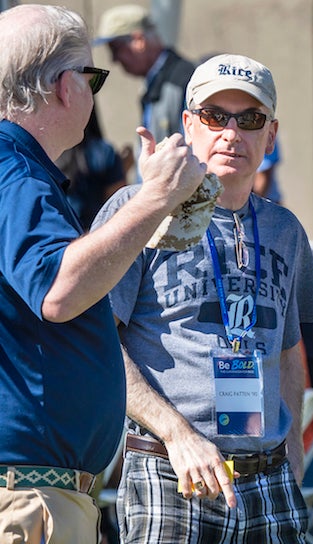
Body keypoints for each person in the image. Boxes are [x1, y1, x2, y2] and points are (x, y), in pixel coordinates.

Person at [92, 53, 313, 543]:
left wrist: (295, 459)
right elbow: (99, 342)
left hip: (270, 476)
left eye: (250, 119)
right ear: (188, 124)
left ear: (271, 135)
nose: (231, 133)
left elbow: (286, 354)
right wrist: (177, 434)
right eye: (215, 116)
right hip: (173, 469)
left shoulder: (286, 230)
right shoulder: (137, 211)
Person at [0, 5, 204, 543]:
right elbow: (58, 291)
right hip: (30, 497)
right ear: (67, 86)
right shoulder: (15, 173)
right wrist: (156, 196)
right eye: (93, 76)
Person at [94, 5, 196, 144]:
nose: (114, 59)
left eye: (116, 49)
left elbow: (192, 150)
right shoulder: (157, 81)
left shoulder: (183, 82)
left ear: (139, 41)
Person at [56, 106, 126, 229]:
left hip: (58, 236)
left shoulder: (45, 154)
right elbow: (117, 205)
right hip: (96, 235)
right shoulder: (104, 151)